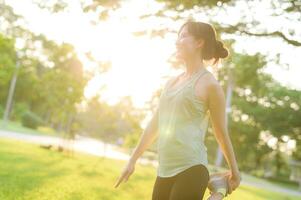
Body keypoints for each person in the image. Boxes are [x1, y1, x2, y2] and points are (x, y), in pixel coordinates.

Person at [114, 20, 241, 200]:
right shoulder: (171, 82)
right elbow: (156, 123)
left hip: (192, 167)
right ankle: (218, 192)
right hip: (165, 169)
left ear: (199, 42)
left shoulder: (210, 84)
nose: (177, 41)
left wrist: (234, 172)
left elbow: (221, 132)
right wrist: (132, 159)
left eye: (183, 36)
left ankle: (219, 192)